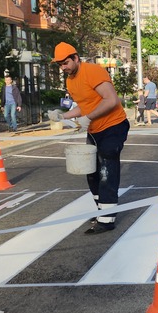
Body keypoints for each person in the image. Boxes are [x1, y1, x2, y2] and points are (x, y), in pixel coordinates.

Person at [48, 42, 129, 234]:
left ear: (75, 58)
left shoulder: (93, 72)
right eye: (59, 64)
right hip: (94, 129)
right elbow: (84, 105)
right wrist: (63, 116)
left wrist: (88, 118)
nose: (63, 67)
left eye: (65, 62)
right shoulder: (70, 80)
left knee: (106, 170)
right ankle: (102, 210)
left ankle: (107, 220)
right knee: (91, 171)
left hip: (113, 126)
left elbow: (111, 100)